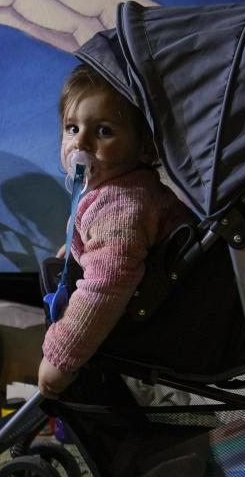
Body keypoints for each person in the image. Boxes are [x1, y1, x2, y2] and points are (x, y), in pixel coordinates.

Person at [37, 64, 194, 399]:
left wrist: (62, 355)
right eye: (71, 127)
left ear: (144, 148)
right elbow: (106, 242)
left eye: (104, 131)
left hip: (156, 325)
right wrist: (77, 248)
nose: (80, 141)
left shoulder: (121, 204)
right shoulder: (118, 189)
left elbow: (107, 282)